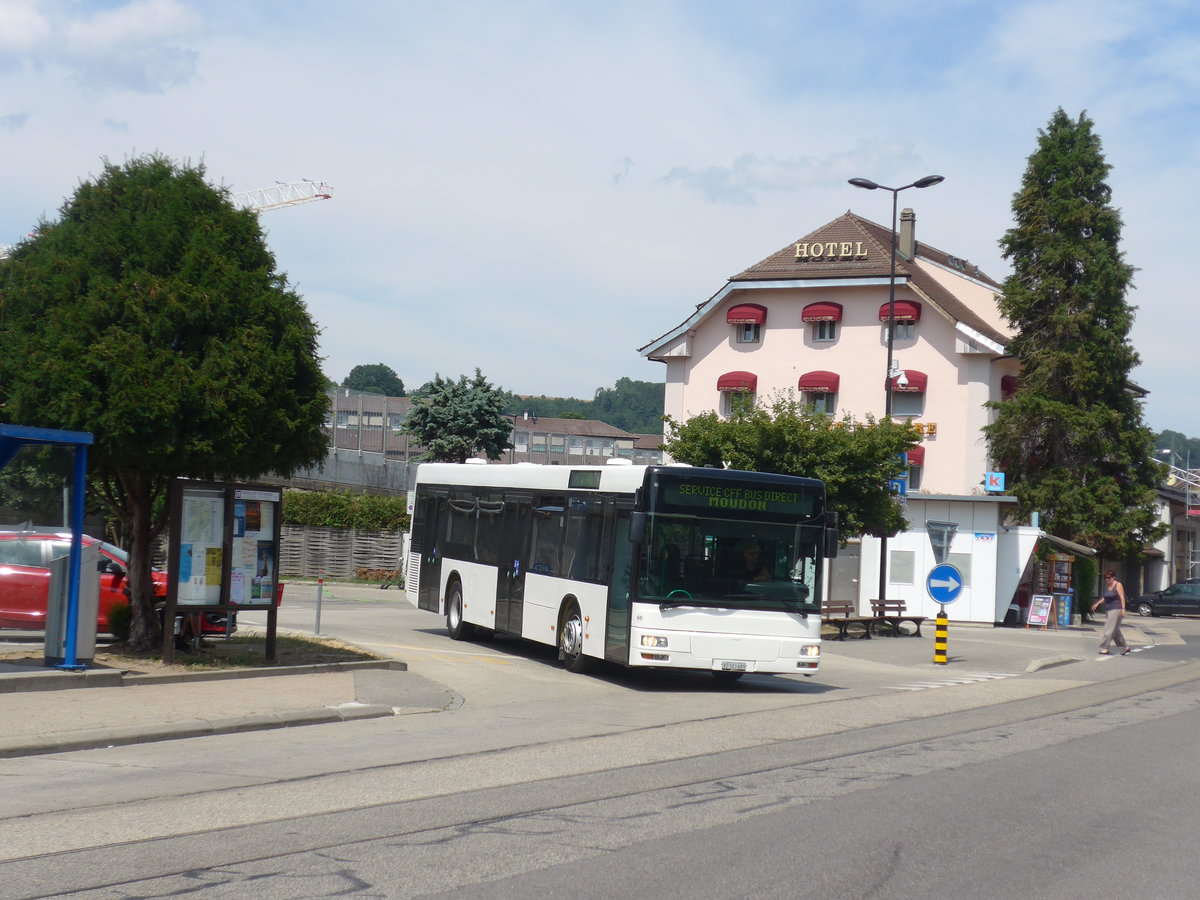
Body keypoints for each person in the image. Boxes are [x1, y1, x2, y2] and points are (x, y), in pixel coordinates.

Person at [1090, 569, 1130, 656]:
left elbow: (1122, 597)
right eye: (1105, 578)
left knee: (1108, 629)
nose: (1107, 579)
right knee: (1115, 630)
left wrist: (1123, 608)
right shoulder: (1108, 586)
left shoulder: (1118, 585)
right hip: (1109, 610)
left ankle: (1105, 648)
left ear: (1113, 577)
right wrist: (1097, 603)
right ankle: (1125, 647)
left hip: (1117, 609)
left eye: (1108, 578)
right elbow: (1106, 598)